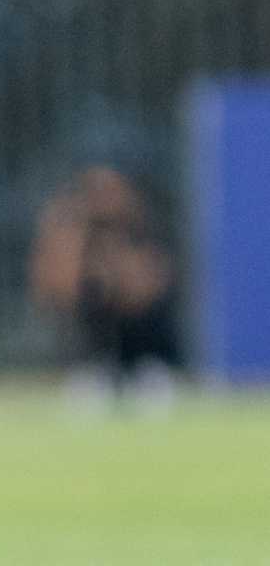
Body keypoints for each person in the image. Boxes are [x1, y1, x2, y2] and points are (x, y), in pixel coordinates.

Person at [28, 164, 182, 408]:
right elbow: (53, 287)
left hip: (139, 341)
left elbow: (149, 288)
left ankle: (141, 370)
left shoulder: (139, 234)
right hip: (92, 348)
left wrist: (118, 275)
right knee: (88, 304)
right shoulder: (71, 235)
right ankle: (94, 370)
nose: (104, 201)